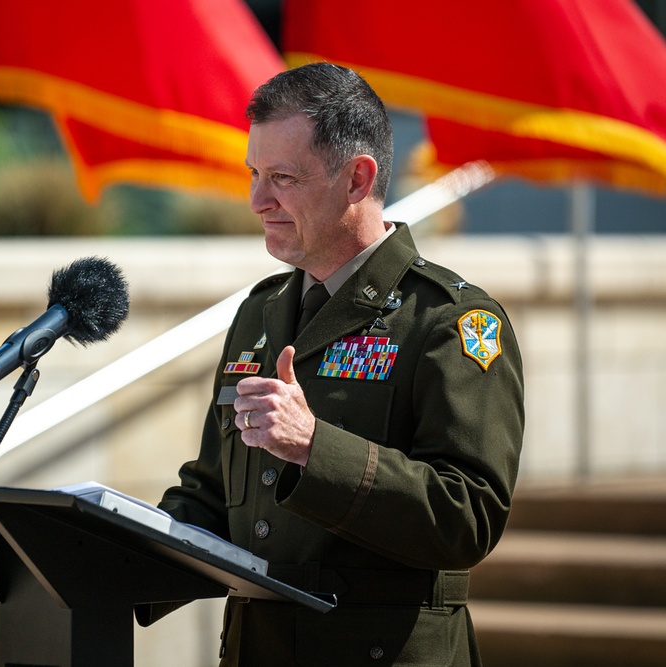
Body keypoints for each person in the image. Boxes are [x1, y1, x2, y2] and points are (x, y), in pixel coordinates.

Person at [139, 63, 525, 665]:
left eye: (283, 178)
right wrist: (104, 548)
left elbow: (468, 517)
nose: (257, 200)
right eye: (254, 175)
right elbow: (215, 495)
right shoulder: (260, 312)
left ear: (356, 179)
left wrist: (314, 447)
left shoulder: (450, 321)